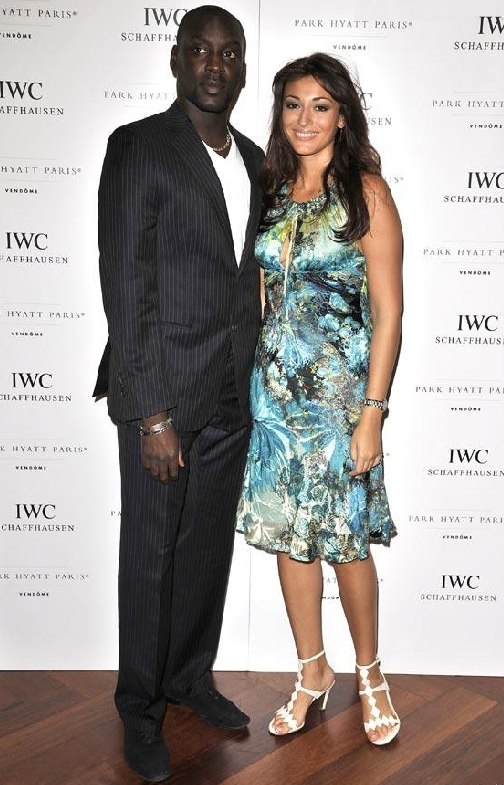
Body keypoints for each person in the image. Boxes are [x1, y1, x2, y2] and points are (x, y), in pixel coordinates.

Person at [94, 6, 263, 781]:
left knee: (204, 551)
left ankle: (190, 677)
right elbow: (126, 288)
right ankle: (140, 706)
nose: (214, 65)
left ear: (241, 68)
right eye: (200, 50)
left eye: (229, 53)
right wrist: (151, 413)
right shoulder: (139, 147)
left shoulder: (255, 160)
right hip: (164, 398)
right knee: (151, 556)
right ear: (175, 60)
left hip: (231, 394)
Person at [237, 53, 403, 745]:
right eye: (293, 104)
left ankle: (370, 673)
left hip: (339, 406)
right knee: (289, 538)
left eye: (320, 105)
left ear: (342, 115)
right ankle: (312, 671)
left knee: (345, 543)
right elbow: (260, 297)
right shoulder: (270, 190)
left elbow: (388, 314)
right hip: (273, 400)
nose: (304, 118)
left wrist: (373, 415)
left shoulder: (366, 192)